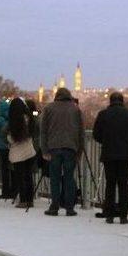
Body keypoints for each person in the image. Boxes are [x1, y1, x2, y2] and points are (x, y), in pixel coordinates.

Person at [93, 92, 128, 224]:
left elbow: (96, 134)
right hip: (125, 154)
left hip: (109, 153)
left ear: (110, 101)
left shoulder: (103, 114)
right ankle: (123, 216)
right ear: (122, 101)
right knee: (123, 184)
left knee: (110, 184)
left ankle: (110, 215)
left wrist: (105, 141)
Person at [40, 88, 84, 216]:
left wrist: (44, 150)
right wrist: (79, 151)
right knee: (69, 178)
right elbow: (81, 132)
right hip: (71, 148)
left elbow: (43, 131)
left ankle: (54, 206)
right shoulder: (76, 109)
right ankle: (69, 207)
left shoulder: (49, 108)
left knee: (55, 178)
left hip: (53, 147)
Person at [6, 98, 37, 208]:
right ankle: (30, 199)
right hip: (29, 151)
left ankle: (23, 200)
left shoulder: (14, 122)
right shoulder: (29, 118)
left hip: (17, 154)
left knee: (20, 177)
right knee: (28, 176)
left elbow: (11, 139)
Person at [0, 99, 12, 199]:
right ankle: (13, 189)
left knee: (4, 170)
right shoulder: (11, 119)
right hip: (12, 148)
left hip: (3, 148)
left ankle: (5, 191)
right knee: (12, 169)